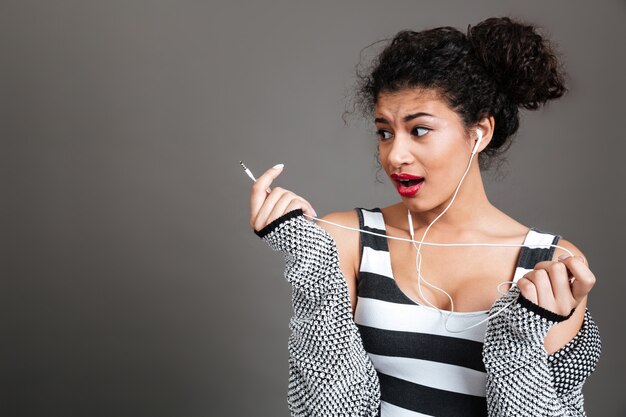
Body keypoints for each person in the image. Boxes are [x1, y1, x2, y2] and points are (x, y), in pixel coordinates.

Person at [249, 17, 601, 417]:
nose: (395, 155)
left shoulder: (549, 265)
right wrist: (312, 267)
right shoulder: (346, 240)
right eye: (385, 133)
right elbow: (324, 410)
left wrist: (520, 339)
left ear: (479, 132)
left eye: (419, 130)